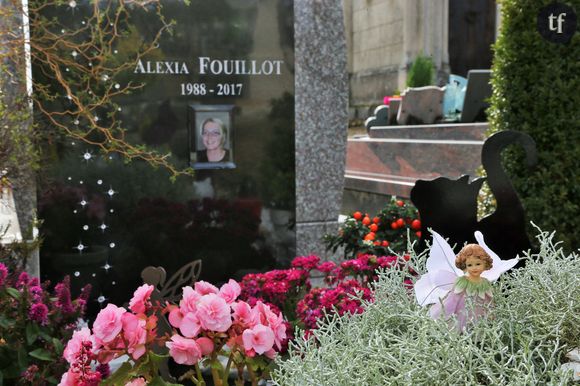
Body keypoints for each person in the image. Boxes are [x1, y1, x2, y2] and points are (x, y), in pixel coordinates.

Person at [429, 243, 494, 331]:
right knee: (460, 330)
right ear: (464, 266)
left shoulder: (485, 283)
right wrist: (447, 313)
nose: (474, 268)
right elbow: (453, 299)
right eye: (470, 265)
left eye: (478, 264)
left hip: (479, 316)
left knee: (476, 331)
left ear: (485, 264)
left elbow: (489, 300)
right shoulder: (462, 281)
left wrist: (491, 314)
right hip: (462, 314)